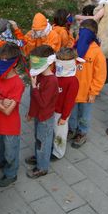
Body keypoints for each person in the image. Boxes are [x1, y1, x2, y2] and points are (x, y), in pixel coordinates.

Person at [0, 43, 25, 187]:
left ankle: (11, 173)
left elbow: (7, 111)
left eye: (4, 62)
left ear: (14, 64)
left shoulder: (18, 84)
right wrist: (1, 101)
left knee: (11, 153)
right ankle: (2, 161)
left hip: (10, 128)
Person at [68, 19, 106, 148]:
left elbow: (100, 75)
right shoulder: (74, 47)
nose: (81, 35)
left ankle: (82, 132)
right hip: (72, 91)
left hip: (86, 93)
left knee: (84, 115)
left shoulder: (97, 52)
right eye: (80, 32)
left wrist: (94, 92)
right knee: (71, 113)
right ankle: (72, 130)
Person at [25, 45, 59, 178]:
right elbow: (34, 100)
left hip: (45, 117)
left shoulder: (52, 81)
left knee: (42, 141)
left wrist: (34, 87)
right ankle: (40, 156)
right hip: (39, 115)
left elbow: (43, 103)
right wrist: (31, 113)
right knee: (38, 138)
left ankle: (42, 167)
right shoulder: (39, 75)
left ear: (48, 63)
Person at [52, 47, 79, 159]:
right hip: (52, 109)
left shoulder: (72, 81)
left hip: (60, 113)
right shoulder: (56, 73)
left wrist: (64, 117)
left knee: (60, 134)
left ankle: (58, 152)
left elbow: (69, 102)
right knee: (53, 131)